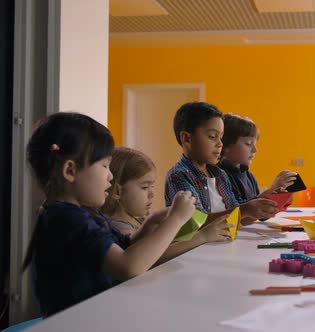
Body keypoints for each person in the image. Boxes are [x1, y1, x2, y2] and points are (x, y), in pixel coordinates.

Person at [22, 112, 200, 316]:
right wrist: (176, 219)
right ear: (70, 170)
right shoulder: (67, 220)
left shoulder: (78, 214)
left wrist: (151, 222)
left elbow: (123, 247)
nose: (111, 175)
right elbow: (128, 265)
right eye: (105, 166)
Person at [101, 146, 232, 261]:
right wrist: (202, 236)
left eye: (152, 187)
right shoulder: (119, 228)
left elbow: (166, 243)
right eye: (145, 187)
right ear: (118, 191)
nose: (152, 194)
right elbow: (155, 256)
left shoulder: (138, 220)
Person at [165, 102, 277, 225]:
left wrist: (259, 208)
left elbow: (238, 218)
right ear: (187, 138)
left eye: (221, 138)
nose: (220, 144)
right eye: (212, 136)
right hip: (199, 245)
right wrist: (245, 210)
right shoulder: (179, 176)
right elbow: (194, 223)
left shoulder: (221, 175)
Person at [218, 113, 296, 203]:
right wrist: (272, 189)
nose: (255, 150)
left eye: (255, 144)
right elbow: (237, 214)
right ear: (226, 145)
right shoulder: (220, 176)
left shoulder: (249, 176)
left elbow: (259, 215)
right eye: (248, 143)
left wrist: (279, 196)